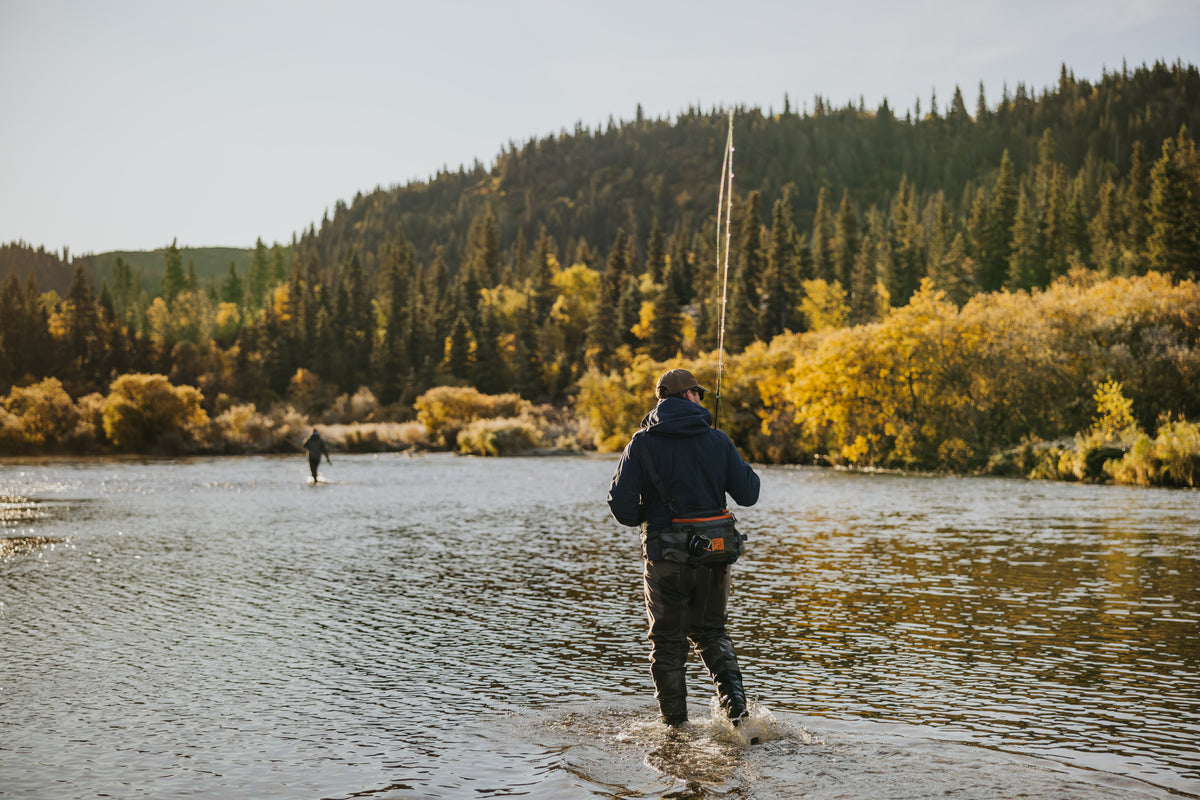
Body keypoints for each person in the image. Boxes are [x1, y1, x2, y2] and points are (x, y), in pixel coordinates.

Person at [607, 367, 761, 727]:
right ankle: (739, 716)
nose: (702, 400)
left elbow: (621, 507)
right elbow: (749, 494)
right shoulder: (718, 439)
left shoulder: (641, 443)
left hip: (665, 556)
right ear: (689, 396)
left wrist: (653, 517)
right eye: (699, 394)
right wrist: (728, 454)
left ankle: (675, 728)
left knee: (667, 642)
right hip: (715, 554)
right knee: (711, 632)